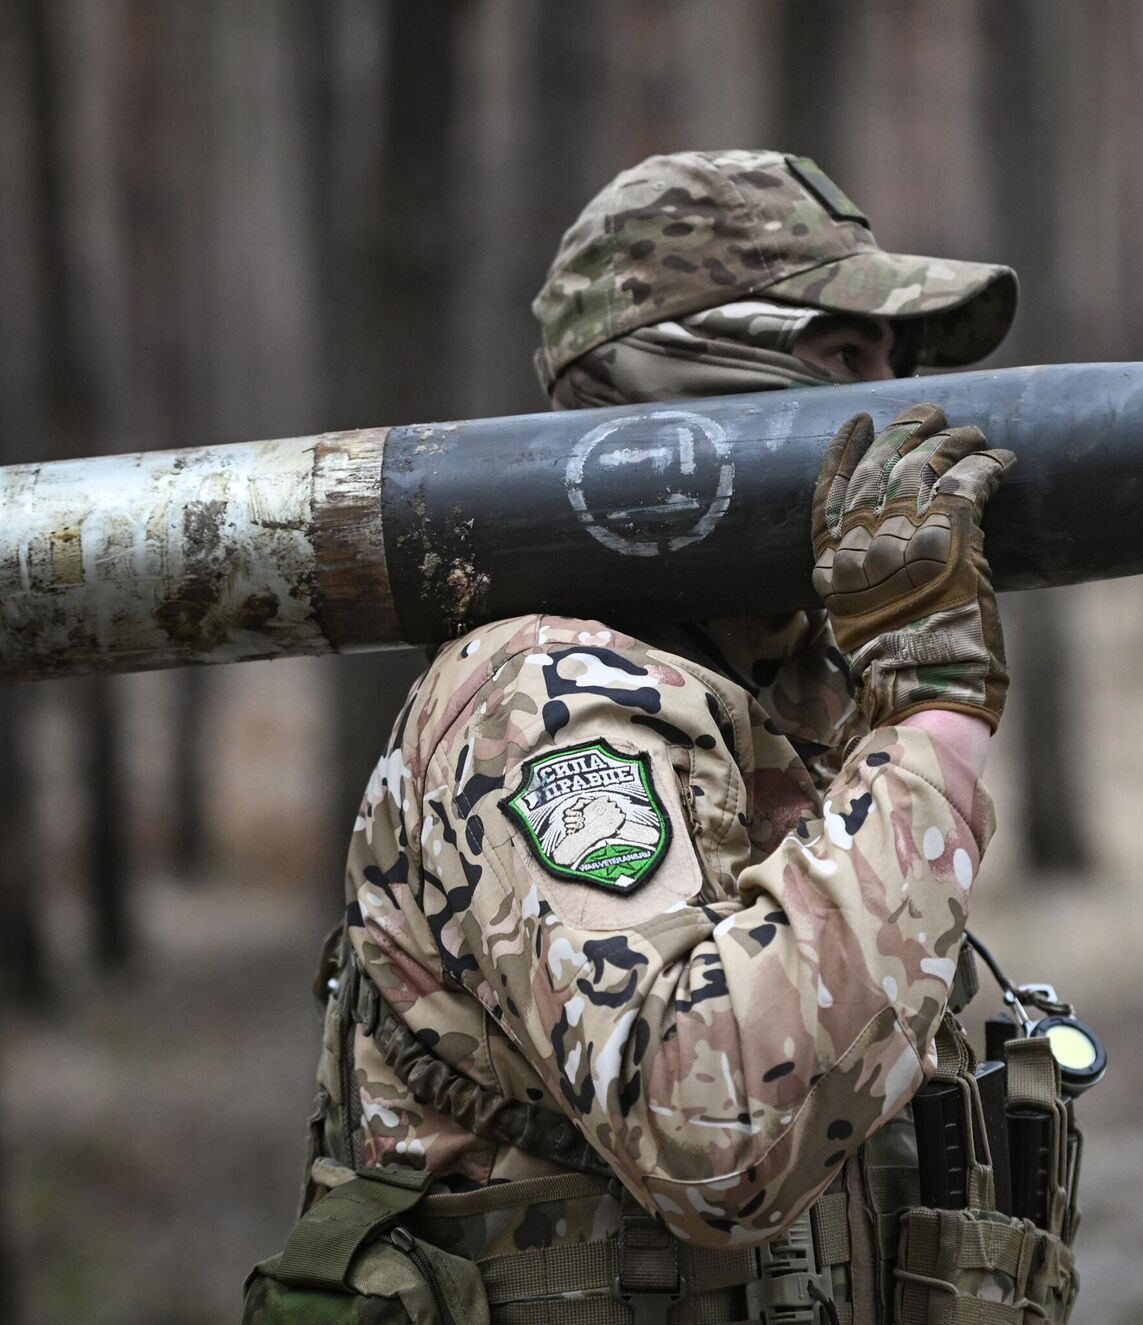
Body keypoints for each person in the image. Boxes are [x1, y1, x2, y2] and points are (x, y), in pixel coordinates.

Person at [247, 152, 1080, 1323]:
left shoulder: (780, 684)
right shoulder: (539, 694)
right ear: (685, 376)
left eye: (900, 363)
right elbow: (719, 1126)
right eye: (845, 357)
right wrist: (935, 715)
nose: (901, 406)